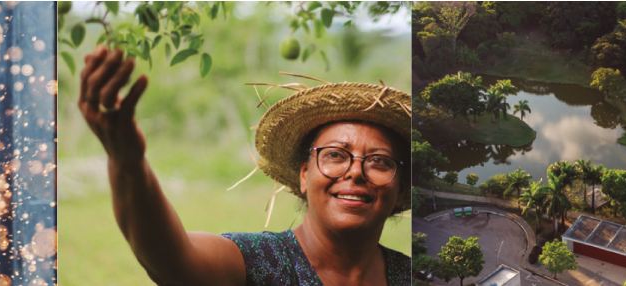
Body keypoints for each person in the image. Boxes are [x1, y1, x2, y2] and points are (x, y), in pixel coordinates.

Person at [77, 45, 413, 285]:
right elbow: (171, 261)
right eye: (335, 155)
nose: (355, 171)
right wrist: (127, 162)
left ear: (400, 192)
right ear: (303, 175)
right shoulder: (259, 261)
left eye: (379, 162)